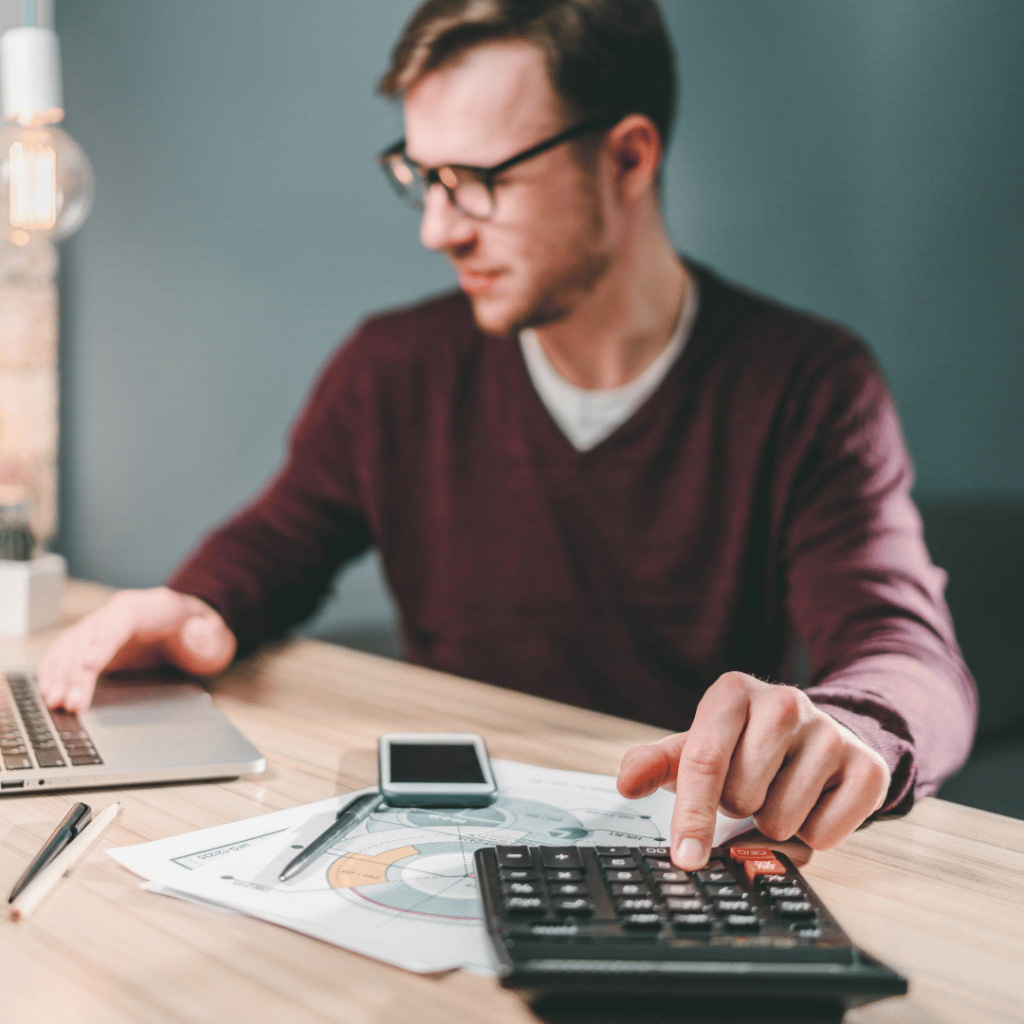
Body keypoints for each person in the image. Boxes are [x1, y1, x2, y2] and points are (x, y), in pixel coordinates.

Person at [38, 0, 976, 870]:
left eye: (478, 180)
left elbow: (906, 650)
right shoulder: (394, 370)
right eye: (422, 178)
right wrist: (198, 607)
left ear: (628, 157)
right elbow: (278, 545)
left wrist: (850, 727)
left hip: (672, 858)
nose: (438, 229)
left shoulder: (805, 384)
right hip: (446, 850)